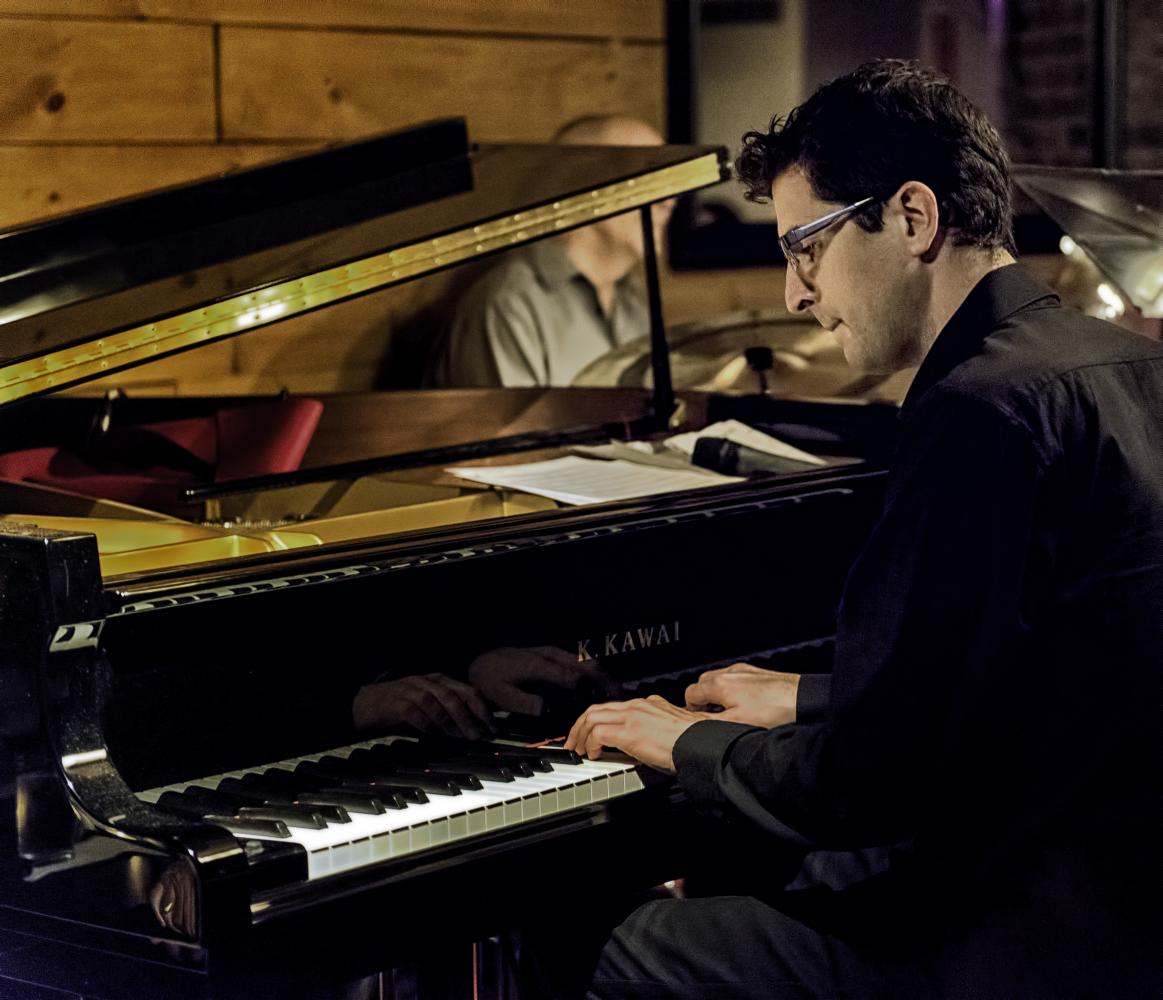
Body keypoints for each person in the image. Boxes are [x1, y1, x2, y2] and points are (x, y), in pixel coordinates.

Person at [564, 59, 1162, 999]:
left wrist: (679, 738)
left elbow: (870, 784)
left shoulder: (980, 414)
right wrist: (813, 698)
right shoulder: (1125, 367)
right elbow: (1031, 678)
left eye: (805, 246)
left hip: (1018, 940)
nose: (795, 293)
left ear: (913, 218)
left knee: (622, 944)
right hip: (1124, 899)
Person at [429, 115, 671, 387]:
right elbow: (518, 430)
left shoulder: (635, 307)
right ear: (579, 182)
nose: (667, 201)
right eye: (646, 176)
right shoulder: (509, 305)